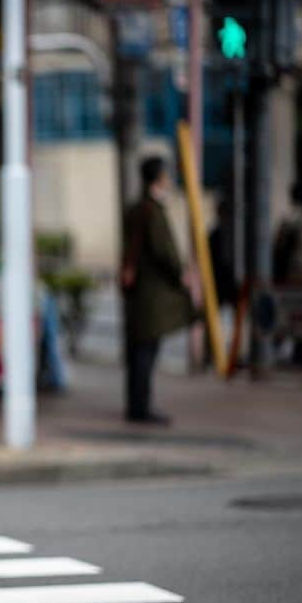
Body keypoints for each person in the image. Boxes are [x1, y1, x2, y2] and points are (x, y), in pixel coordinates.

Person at [120, 156, 196, 425]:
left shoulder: (135, 208)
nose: (170, 179)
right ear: (159, 178)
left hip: (138, 290)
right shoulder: (153, 211)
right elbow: (164, 250)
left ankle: (136, 404)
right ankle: (140, 407)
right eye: (167, 174)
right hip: (152, 292)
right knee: (146, 351)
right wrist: (181, 273)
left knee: (138, 349)